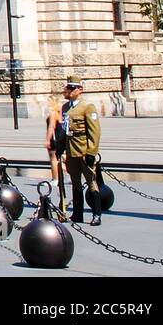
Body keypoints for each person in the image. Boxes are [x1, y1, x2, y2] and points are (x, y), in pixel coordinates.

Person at [62, 79, 102, 225]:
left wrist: (91, 153)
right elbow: (64, 130)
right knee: (75, 183)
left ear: (80, 90)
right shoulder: (65, 107)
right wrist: (60, 147)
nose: (67, 90)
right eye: (67, 87)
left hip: (84, 151)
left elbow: (95, 132)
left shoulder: (87, 107)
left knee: (91, 182)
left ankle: (96, 214)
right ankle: (77, 214)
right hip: (71, 151)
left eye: (71, 88)